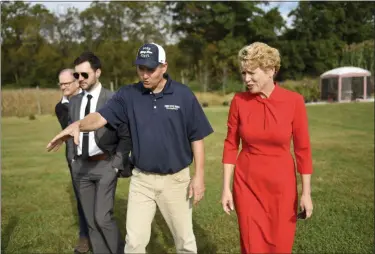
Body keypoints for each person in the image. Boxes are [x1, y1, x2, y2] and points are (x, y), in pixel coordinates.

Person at [46, 43, 214, 254]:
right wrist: (76, 125)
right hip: (141, 180)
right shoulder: (128, 94)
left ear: (164, 67)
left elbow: (196, 137)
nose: (144, 75)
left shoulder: (183, 94)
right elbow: (99, 117)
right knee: (133, 244)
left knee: (184, 242)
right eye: (140, 68)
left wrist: (198, 177)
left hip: (176, 180)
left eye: (150, 69)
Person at [221, 42, 314, 254]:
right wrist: (226, 188)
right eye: (243, 73)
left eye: (251, 73)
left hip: (282, 188)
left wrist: (306, 193)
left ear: (271, 70)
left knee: (280, 245)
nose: (246, 79)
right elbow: (230, 145)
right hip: (246, 186)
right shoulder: (238, 101)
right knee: (251, 245)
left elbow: (303, 150)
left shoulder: (294, 101)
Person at [66, 51, 132, 254]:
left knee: (103, 218)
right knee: (91, 221)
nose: (80, 79)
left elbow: (126, 136)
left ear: (98, 73)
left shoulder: (113, 99)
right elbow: (71, 130)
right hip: (81, 168)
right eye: (76, 75)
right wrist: (72, 160)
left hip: (105, 165)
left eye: (85, 75)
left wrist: (116, 165)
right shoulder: (75, 101)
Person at [55, 69, 89, 254]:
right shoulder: (61, 107)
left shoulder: (91, 98)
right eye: (61, 84)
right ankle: (84, 236)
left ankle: (102, 233)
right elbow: (71, 127)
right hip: (75, 157)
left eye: (67, 83)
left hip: (97, 155)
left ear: (77, 82)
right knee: (81, 197)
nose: (63, 87)